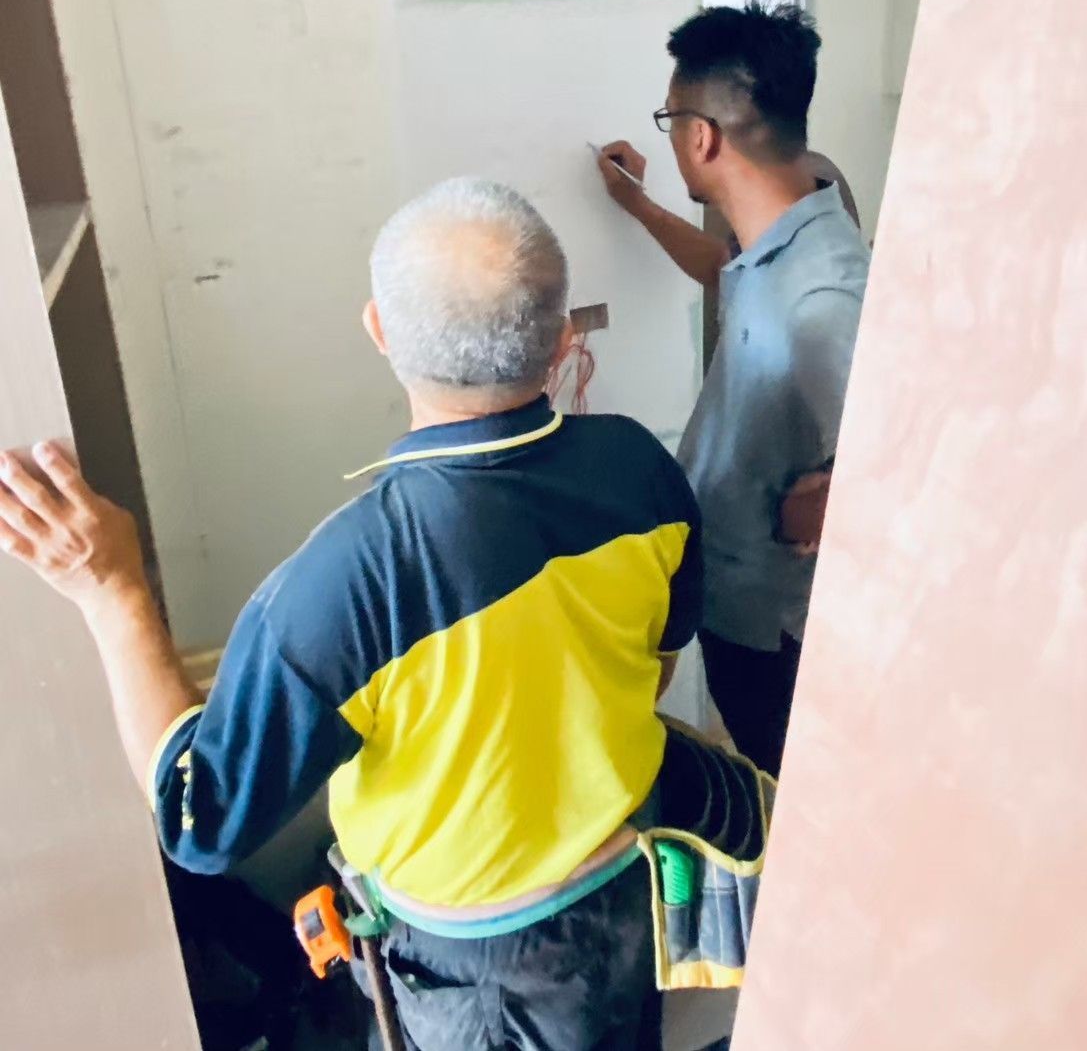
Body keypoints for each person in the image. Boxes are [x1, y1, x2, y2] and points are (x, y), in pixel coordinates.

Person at [0, 178, 702, 1051]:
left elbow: (197, 820)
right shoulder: (642, 468)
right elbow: (661, 656)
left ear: (377, 329)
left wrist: (110, 587)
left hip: (477, 976)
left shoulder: (346, 580)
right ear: (563, 341)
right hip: (628, 895)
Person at [597, 3, 869, 777]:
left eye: (669, 119)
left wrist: (837, 491)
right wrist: (639, 205)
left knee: (788, 791)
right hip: (729, 595)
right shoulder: (801, 216)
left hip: (774, 631)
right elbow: (728, 271)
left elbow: (908, 472)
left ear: (699, 135)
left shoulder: (825, 302)